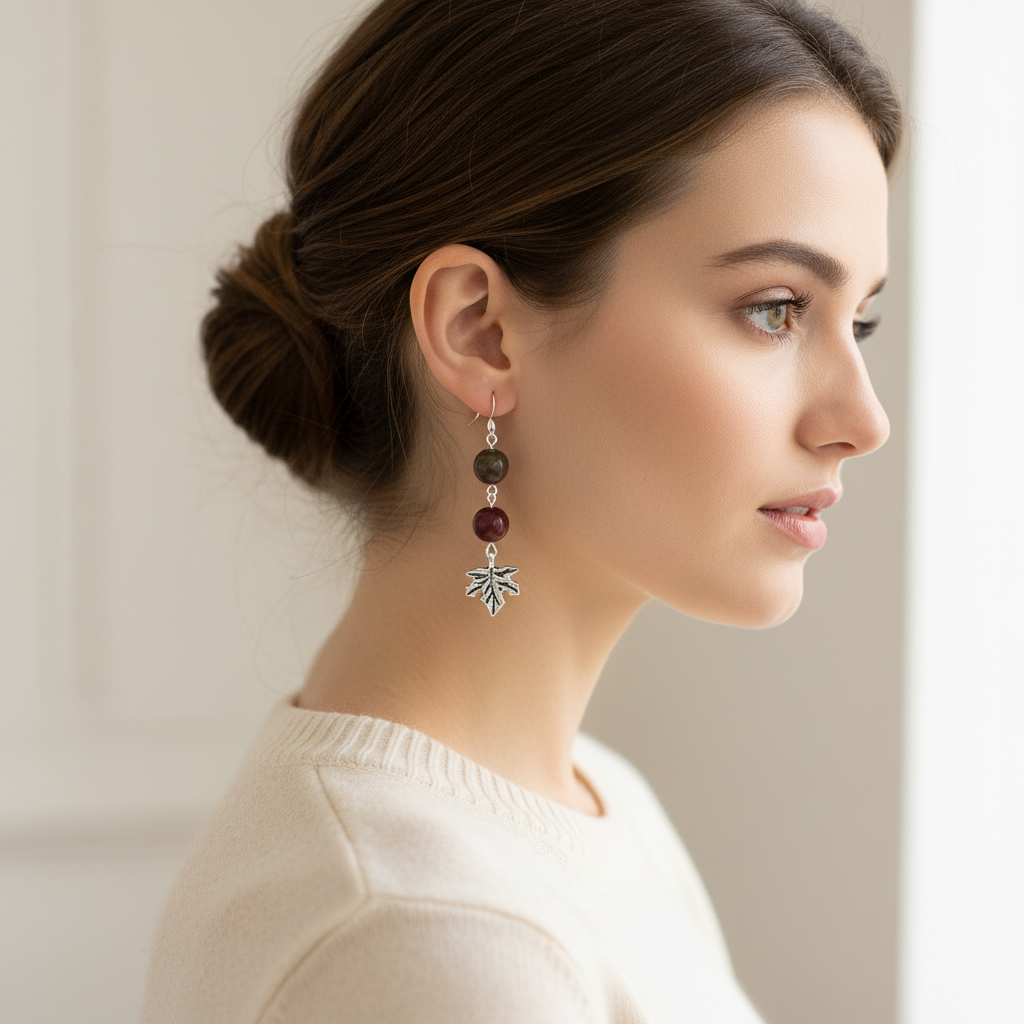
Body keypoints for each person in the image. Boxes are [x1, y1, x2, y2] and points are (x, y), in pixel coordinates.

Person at [140, 0, 904, 1020]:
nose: (862, 417)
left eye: (859, 320)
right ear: (480, 332)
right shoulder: (421, 935)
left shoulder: (594, 802)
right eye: (774, 310)